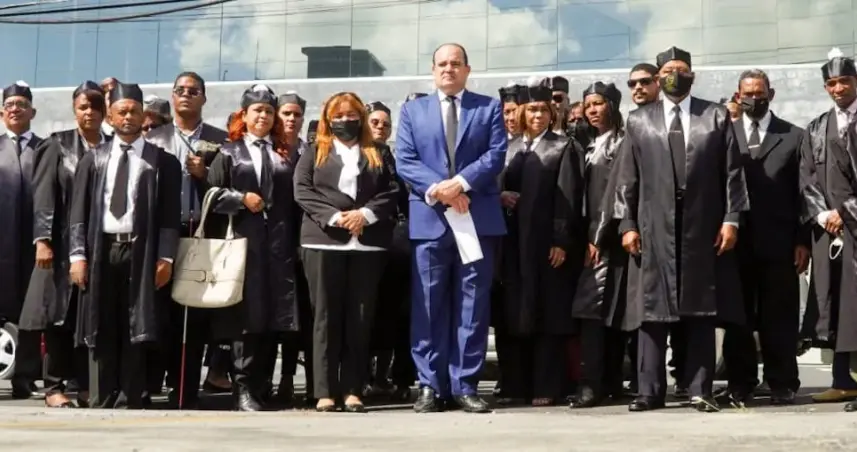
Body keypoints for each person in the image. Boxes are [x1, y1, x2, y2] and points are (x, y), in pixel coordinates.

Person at [607, 46, 749, 413]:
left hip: (703, 223)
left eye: (682, 69)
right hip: (653, 224)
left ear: (692, 76)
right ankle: (649, 391)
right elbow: (626, 178)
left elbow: (732, 172)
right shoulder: (639, 120)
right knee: (651, 309)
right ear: (658, 78)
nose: (675, 75)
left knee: (701, 309)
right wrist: (627, 224)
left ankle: (700, 389)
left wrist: (731, 218)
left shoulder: (714, 116)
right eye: (668, 70)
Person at [395, 43, 507, 413]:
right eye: (442, 64)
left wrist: (459, 184)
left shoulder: (488, 107)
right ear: (433, 70)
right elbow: (405, 160)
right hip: (431, 221)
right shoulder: (412, 111)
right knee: (428, 305)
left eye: (455, 63)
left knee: (472, 305)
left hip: (477, 219)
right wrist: (440, 190)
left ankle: (465, 385)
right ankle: (430, 385)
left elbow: (495, 154)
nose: (448, 69)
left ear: (467, 70)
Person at [69, 82, 181, 409]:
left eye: (134, 111)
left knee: (137, 322)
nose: (128, 117)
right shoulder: (94, 159)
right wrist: (77, 255)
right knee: (102, 321)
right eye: (122, 112)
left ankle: (133, 395)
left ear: (143, 115)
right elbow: (78, 212)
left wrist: (166, 256)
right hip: (102, 249)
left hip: (142, 251)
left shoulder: (163, 162)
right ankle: (102, 395)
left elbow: (170, 216)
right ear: (110, 117)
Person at [294, 91, 399, 412]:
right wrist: (335, 217)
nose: (345, 121)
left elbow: (392, 189)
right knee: (325, 317)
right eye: (338, 116)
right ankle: (324, 391)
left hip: (367, 243)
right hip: (323, 241)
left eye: (351, 115)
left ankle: (353, 389)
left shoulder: (379, 151)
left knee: (360, 318)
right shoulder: (315, 150)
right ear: (328, 119)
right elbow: (302, 190)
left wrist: (365, 215)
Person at [206, 84, 302, 411]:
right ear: (244, 115)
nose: (263, 116)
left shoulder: (284, 154)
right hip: (243, 245)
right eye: (257, 110)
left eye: (269, 111)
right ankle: (242, 387)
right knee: (246, 318)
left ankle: (263, 385)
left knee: (274, 317)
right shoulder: (229, 152)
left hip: (278, 246)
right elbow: (211, 195)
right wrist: (240, 199)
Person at [496, 77, 584, 407]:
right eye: (532, 109)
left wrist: (561, 240)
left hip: (545, 243)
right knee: (513, 312)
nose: (538, 115)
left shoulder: (562, 147)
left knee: (547, 314)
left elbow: (568, 198)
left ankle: (547, 385)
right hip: (511, 243)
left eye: (544, 110)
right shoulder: (508, 148)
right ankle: (515, 386)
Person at [722, 69, 807, 407]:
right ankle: (740, 383)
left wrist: (802, 240)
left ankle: (782, 382)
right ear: (737, 95)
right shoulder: (724, 134)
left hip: (780, 243)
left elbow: (804, 192)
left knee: (779, 317)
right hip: (735, 242)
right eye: (748, 94)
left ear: (771, 95)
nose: (754, 99)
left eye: (760, 93)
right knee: (737, 317)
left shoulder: (794, 136)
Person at [144, 71, 229, 409]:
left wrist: (205, 175)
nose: (186, 95)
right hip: (161, 234)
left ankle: (185, 390)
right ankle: (149, 384)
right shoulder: (154, 138)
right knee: (158, 313)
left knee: (193, 319)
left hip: (201, 234)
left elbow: (229, 188)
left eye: (194, 91)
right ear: (172, 95)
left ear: (204, 98)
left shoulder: (221, 140)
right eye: (180, 89)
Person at [21, 81, 106, 408]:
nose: (89, 113)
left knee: (88, 316)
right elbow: (43, 195)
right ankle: (53, 386)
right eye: (83, 107)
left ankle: (84, 385)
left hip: (98, 243)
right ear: (74, 110)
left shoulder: (111, 146)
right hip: (60, 243)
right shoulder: (58, 144)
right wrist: (42, 240)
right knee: (59, 317)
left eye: (95, 107)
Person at [799, 48, 857, 408]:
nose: (838, 88)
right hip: (830, 234)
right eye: (832, 83)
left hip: (854, 227)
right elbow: (806, 178)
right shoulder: (817, 127)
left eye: (844, 81)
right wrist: (823, 216)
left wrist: (846, 212)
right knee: (835, 307)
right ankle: (842, 381)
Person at [570, 81, 629, 409]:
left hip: (608, 237)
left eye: (598, 103)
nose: (592, 110)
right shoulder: (587, 143)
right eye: (588, 104)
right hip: (587, 234)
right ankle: (606, 381)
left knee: (597, 310)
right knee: (597, 310)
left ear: (612, 105)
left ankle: (594, 384)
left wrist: (598, 236)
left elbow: (616, 193)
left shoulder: (621, 142)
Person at [2, 80, 45, 400]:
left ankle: (26, 377)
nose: (15, 109)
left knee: (30, 315)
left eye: (22, 104)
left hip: (34, 246)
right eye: (9, 105)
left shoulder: (46, 149)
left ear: (33, 111)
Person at [269, 90, 310, 406]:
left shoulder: (310, 150)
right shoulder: (267, 150)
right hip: (272, 240)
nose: (292, 119)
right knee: (273, 314)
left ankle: (294, 380)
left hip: (305, 239)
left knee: (303, 315)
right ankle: (270, 380)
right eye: (286, 113)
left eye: (297, 114)